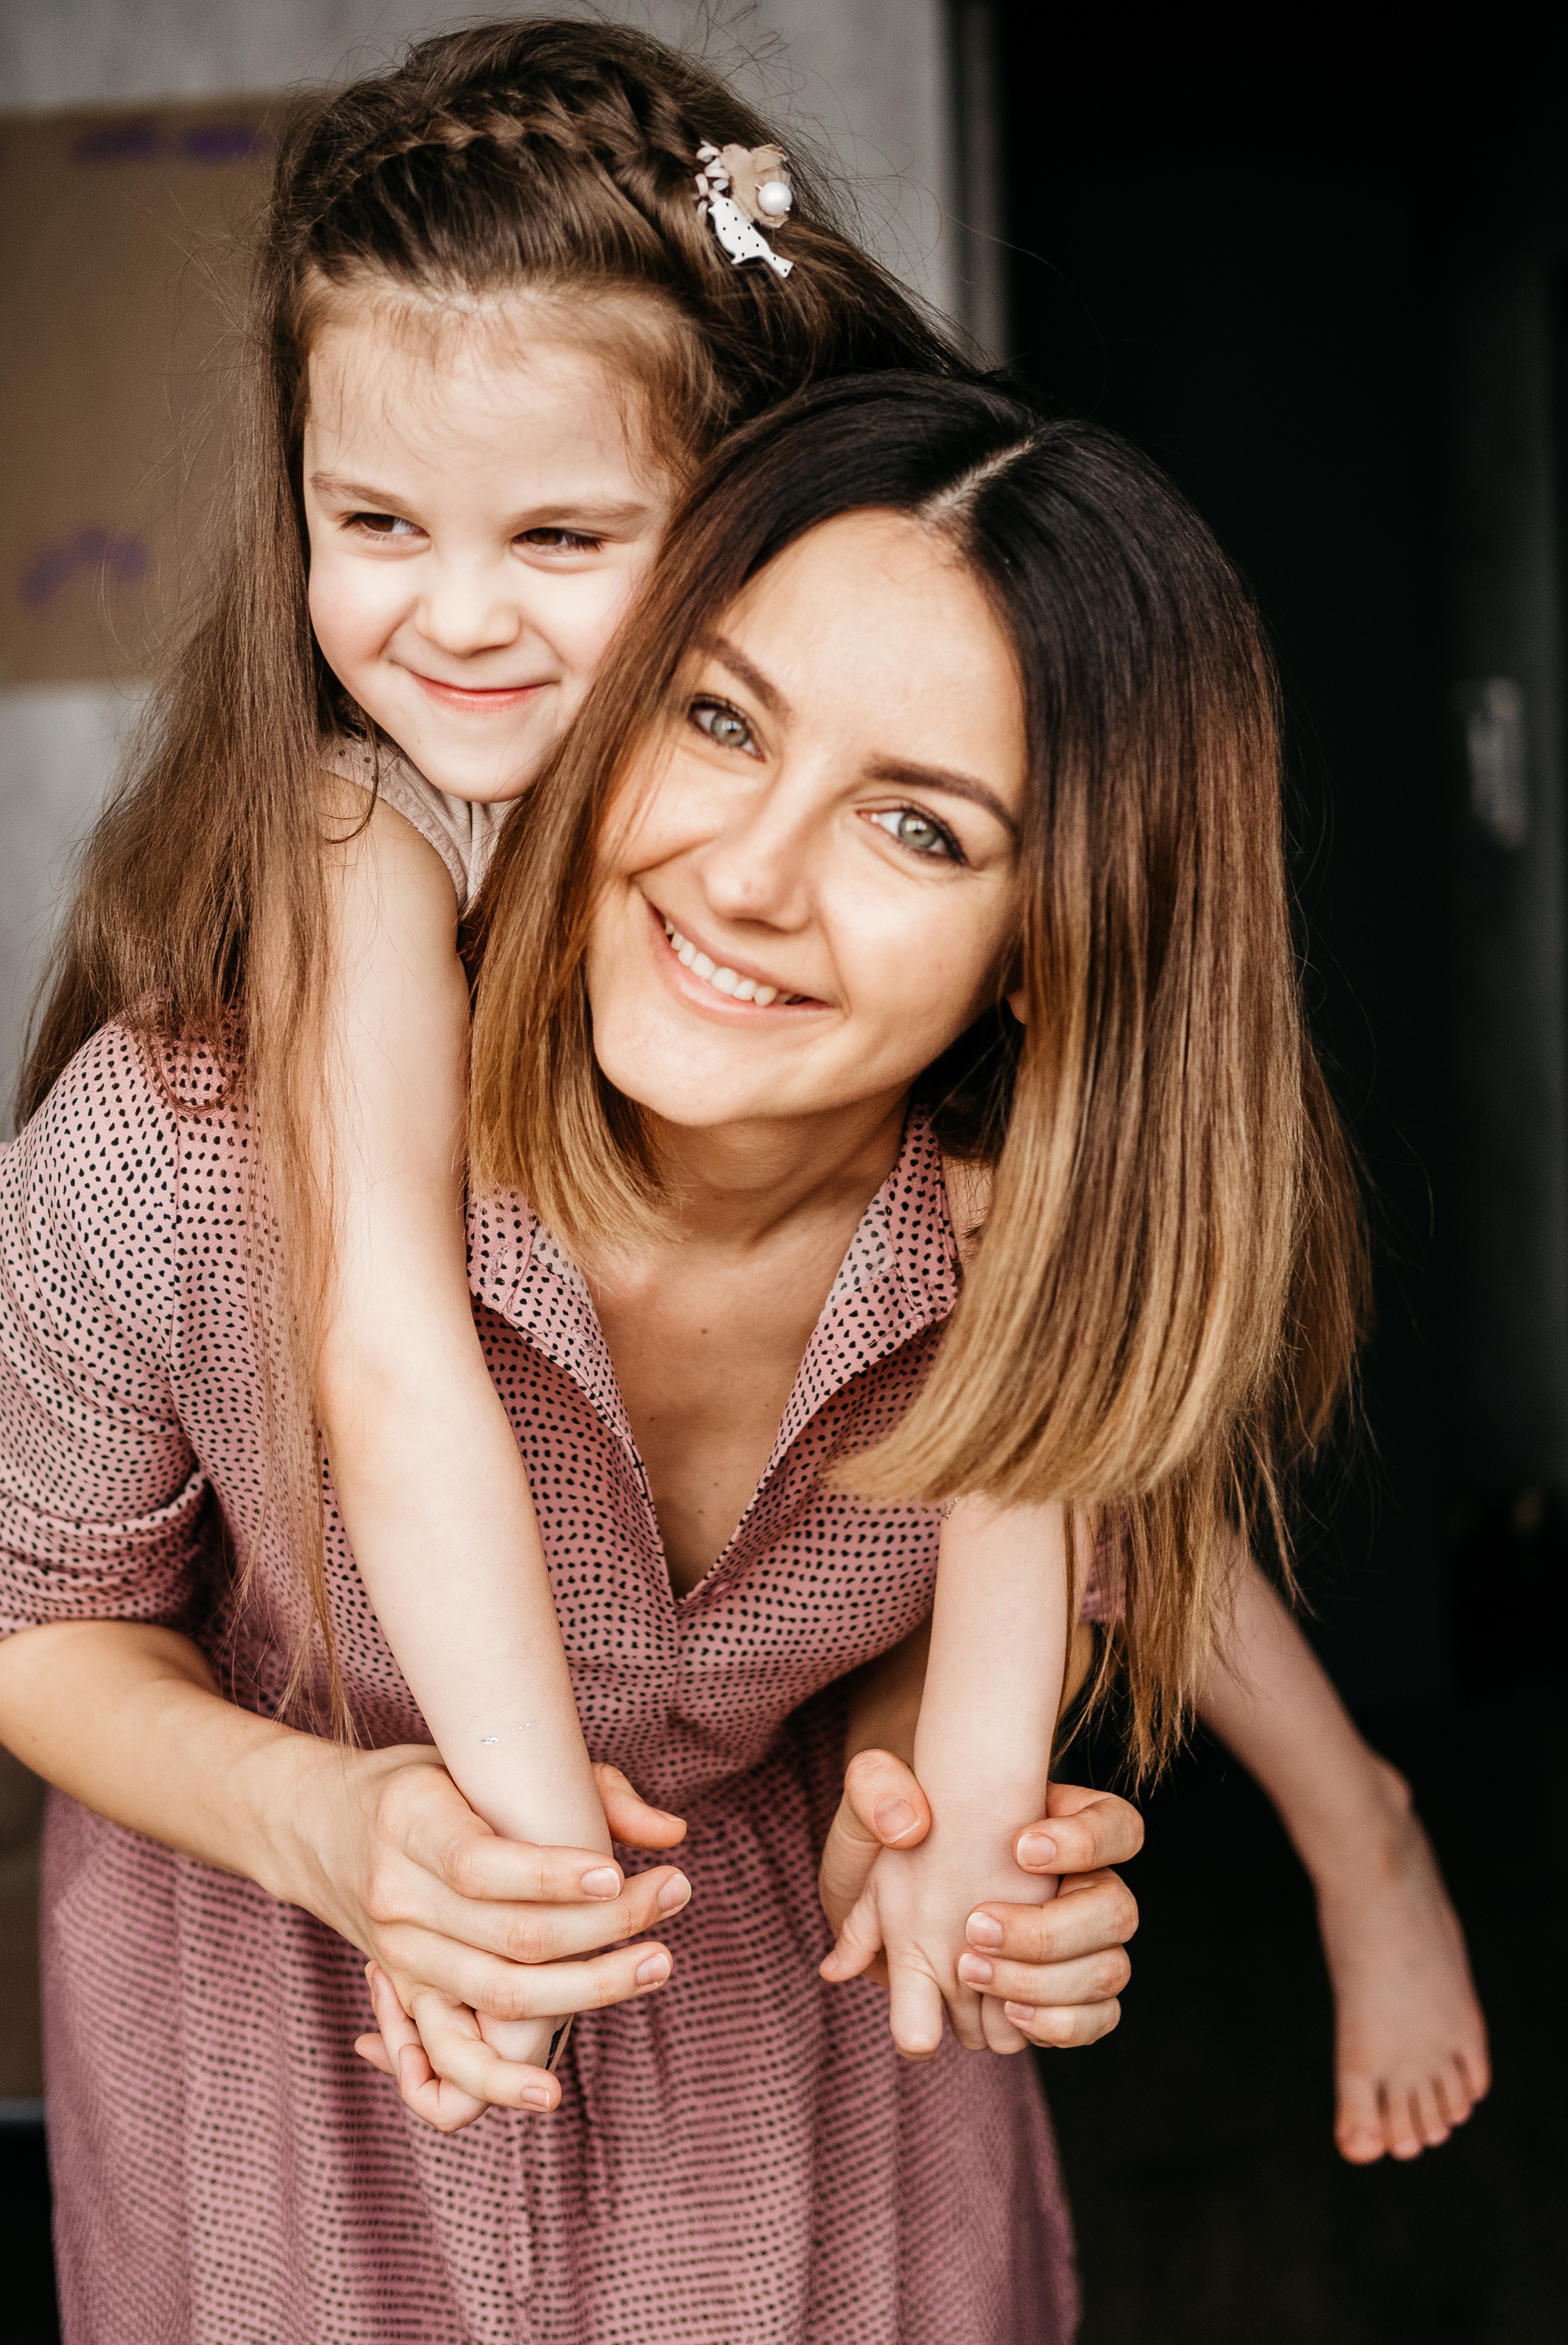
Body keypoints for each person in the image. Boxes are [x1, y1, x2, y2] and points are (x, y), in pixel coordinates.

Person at [20, 14, 1484, 2165]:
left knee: (1087, 1396)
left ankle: (1357, 1808)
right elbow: (387, 1338)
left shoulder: (960, 1001)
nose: (457, 624)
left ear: (734, 510)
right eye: (379, 524)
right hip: (304, 2042)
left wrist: (962, 1832)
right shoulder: (347, 874)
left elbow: (1037, 1471)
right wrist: (511, 1870)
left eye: (563, 544)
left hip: (836, 1959)